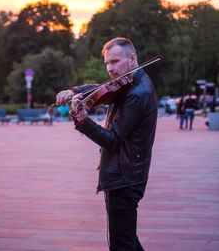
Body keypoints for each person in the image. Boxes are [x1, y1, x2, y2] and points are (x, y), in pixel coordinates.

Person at [56, 37, 158, 251]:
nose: (110, 69)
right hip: (127, 173)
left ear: (132, 58)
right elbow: (101, 87)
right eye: (107, 63)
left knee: (121, 244)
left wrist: (83, 120)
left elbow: (112, 140)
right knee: (127, 240)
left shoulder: (138, 94)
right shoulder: (129, 82)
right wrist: (75, 91)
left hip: (124, 178)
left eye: (115, 62)